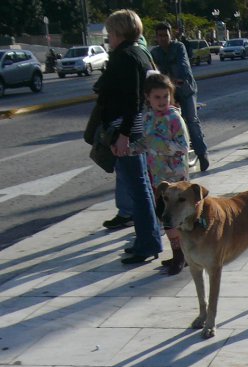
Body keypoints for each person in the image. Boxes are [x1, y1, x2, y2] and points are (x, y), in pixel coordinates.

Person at [96, 9, 163, 264]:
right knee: (141, 187)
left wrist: (123, 135)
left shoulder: (124, 56)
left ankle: (147, 243)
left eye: (110, 32)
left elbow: (131, 100)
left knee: (139, 189)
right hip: (135, 129)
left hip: (129, 131)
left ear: (119, 32)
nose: (108, 37)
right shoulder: (139, 53)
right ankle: (148, 239)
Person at [141, 73, 190, 275]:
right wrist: (132, 148)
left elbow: (183, 146)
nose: (162, 102)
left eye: (165, 97)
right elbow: (146, 142)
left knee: (175, 218)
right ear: (148, 98)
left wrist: (158, 144)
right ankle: (177, 253)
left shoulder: (174, 118)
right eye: (157, 97)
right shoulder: (148, 117)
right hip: (157, 177)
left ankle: (183, 255)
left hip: (175, 179)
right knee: (164, 217)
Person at [151, 22, 210, 171]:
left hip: (186, 89)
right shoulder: (155, 53)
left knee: (192, 120)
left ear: (171, 35)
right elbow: (154, 72)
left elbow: (183, 67)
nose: (163, 38)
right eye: (160, 36)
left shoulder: (179, 47)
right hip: (168, 92)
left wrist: (175, 78)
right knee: (165, 121)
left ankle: (202, 154)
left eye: (165, 35)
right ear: (156, 37)